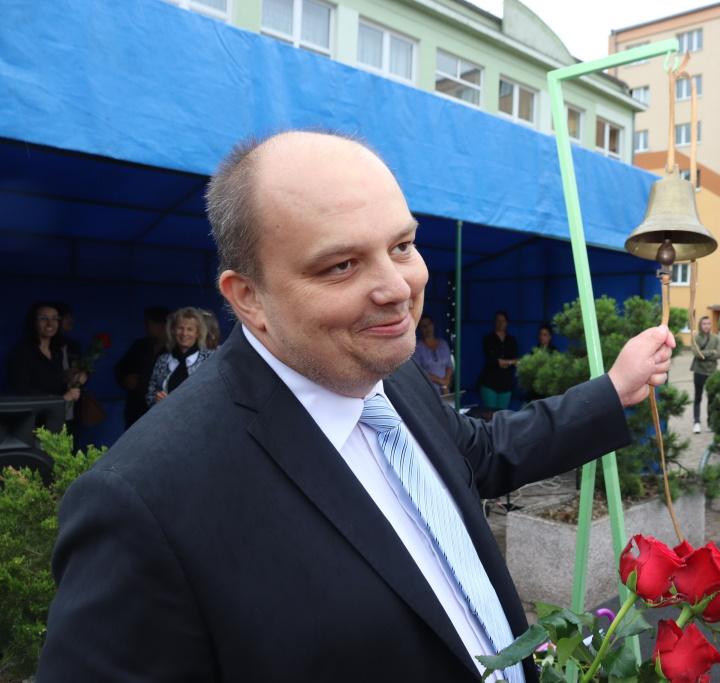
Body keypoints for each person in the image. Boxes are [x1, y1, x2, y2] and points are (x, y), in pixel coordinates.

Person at [38, 130, 674, 683]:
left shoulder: (383, 370)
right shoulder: (142, 504)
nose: (398, 288)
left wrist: (613, 389)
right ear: (249, 297)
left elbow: (480, 455)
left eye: (402, 245)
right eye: (342, 265)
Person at [6, 303, 85, 416]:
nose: (50, 323)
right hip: (32, 418)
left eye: (54, 318)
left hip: (56, 415)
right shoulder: (22, 352)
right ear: (33, 322)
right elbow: (20, 390)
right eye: (43, 318)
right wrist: (60, 399)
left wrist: (72, 378)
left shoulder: (57, 352)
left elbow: (53, 381)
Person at [145, 306, 214, 406]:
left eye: (190, 329)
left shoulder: (209, 359)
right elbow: (150, 395)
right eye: (180, 328)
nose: (184, 333)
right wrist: (157, 400)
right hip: (167, 414)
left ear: (198, 333)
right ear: (173, 331)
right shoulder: (163, 360)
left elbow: (216, 393)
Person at [114, 306, 170, 428]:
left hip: (161, 411)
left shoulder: (174, 350)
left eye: (149, 324)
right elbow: (121, 368)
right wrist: (126, 379)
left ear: (162, 325)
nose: (146, 328)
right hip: (136, 409)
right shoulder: (140, 346)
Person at [479, 310, 519, 410]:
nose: (501, 323)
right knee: (490, 414)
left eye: (503, 321)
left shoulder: (512, 340)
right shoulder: (488, 339)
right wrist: (507, 362)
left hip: (506, 383)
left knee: (502, 414)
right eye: (498, 320)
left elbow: (516, 360)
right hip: (489, 382)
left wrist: (505, 362)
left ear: (507, 323)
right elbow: (491, 360)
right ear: (494, 322)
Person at [691, 316, 720, 434]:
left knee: (712, 398)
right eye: (704, 324)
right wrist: (712, 352)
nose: (706, 326)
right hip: (699, 371)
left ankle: (711, 423)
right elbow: (697, 353)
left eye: (708, 323)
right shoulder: (696, 338)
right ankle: (696, 423)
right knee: (697, 397)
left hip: (712, 372)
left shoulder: (716, 338)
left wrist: (705, 355)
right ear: (700, 325)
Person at [413, 314, 453, 395]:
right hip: (428, 391)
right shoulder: (417, 347)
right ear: (420, 329)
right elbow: (419, 371)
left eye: (429, 324)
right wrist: (441, 381)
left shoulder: (443, 344)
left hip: (445, 390)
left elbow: (449, 366)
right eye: (424, 326)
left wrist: (446, 382)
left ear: (433, 325)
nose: (427, 328)